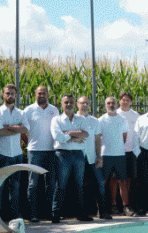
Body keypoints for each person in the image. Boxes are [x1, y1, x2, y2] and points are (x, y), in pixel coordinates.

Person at [50, 94, 92, 223]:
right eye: (66, 102)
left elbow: (86, 134)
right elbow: (58, 137)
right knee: (61, 184)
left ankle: (81, 214)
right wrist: (74, 136)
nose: (69, 104)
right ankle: (55, 214)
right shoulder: (56, 120)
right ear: (62, 104)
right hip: (62, 154)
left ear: (74, 104)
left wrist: (67, 133)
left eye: (71, 102)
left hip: (79, 154)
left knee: (79, 184)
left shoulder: (81, 119)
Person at [23, 85, 59, 222]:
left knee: (50, 183)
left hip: (51, 151)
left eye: (44, 93)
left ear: (48, 94)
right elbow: (23, 131)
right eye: (39, 93)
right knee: (33, 183)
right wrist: (30, 143)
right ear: (35, 94)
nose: (42, 95)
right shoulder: (28, 110)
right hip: (34, 151)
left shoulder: (54, 110)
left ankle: (49, 213)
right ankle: (33, 214)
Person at [76, 96, 112, 220]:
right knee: (80, 186)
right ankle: (81, 213)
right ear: (77, 104)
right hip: (77, 157)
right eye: (82, 103)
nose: (84, 105)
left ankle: (102, 211)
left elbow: (97, 140)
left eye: (87, 103)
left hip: (92, 157)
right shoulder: (73, 120)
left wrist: (99, 156)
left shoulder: (94, 121)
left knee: (100, 183)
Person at [0, 84, 29, 220]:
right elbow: (0, 131)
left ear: (16, 96)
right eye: (7, 93)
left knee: (15, 188)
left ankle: (14, 217)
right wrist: (17, 128)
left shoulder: (21, 113)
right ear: (3, 95)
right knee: (0, 187)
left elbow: (25, 129)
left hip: (16, 155)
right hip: (2, 154)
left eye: (12, 93)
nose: (10, 96)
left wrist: (8, 127)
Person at [98, 97, 129, 214]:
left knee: (123, 182)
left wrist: (117, 147)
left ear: (116, 104)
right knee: (102, 182)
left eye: (113, 103)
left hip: (120, 155)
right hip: (105, 155)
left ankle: (126, 207)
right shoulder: (100, 120)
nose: (111, 105)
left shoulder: (122, 119)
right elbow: (98, 138)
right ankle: (100, 208)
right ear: (105, 105)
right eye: (108, 103)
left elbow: (124, 137)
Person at [115, 92, 140, 216]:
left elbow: (138, 133)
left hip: (132, 152)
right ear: (119, 101)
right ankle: (119, 206)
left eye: (128, 100)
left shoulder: (135, 115)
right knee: (118, 180)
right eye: (123, 100)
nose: (125, 102)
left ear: (131, 102)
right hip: (118, 152)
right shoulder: (115, 114)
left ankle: (129, 205)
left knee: (130, 180)